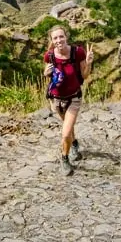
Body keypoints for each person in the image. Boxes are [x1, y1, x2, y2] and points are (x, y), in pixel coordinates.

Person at [43, 24, 93, 176]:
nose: (59, 40)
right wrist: (45, 73)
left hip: (73, 98)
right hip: (56, 99)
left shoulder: (77, 52)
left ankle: (64, 158)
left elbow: (84, 75)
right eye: (55, 38)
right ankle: (75, 143)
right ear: (52, 40)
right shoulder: (49, 56)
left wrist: (89, 63)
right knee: (68, 127)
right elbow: (48, 73)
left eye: (61, 36)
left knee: (65, 133)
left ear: (66, 37)